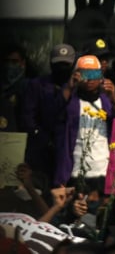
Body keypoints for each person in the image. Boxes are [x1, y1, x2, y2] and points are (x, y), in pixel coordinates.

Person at [54, 55, 115, 190]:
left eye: (94, 74)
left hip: (103, 170)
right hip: (75, 172)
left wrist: (113, 96)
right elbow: (54, 113)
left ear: (101, 76)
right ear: (76, 75)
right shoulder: (70, 99)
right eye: (85, 74)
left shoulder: (106, 99)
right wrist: (70, 86)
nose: (90, 79)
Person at [21, 43, 76, 182]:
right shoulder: (37, 85)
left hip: (68, 146)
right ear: (51, 64)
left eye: (66, 64)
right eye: (58, 64)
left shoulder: (77, 88)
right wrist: (38, 134)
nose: (62, 68)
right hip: (41, 147)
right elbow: (28, 114)